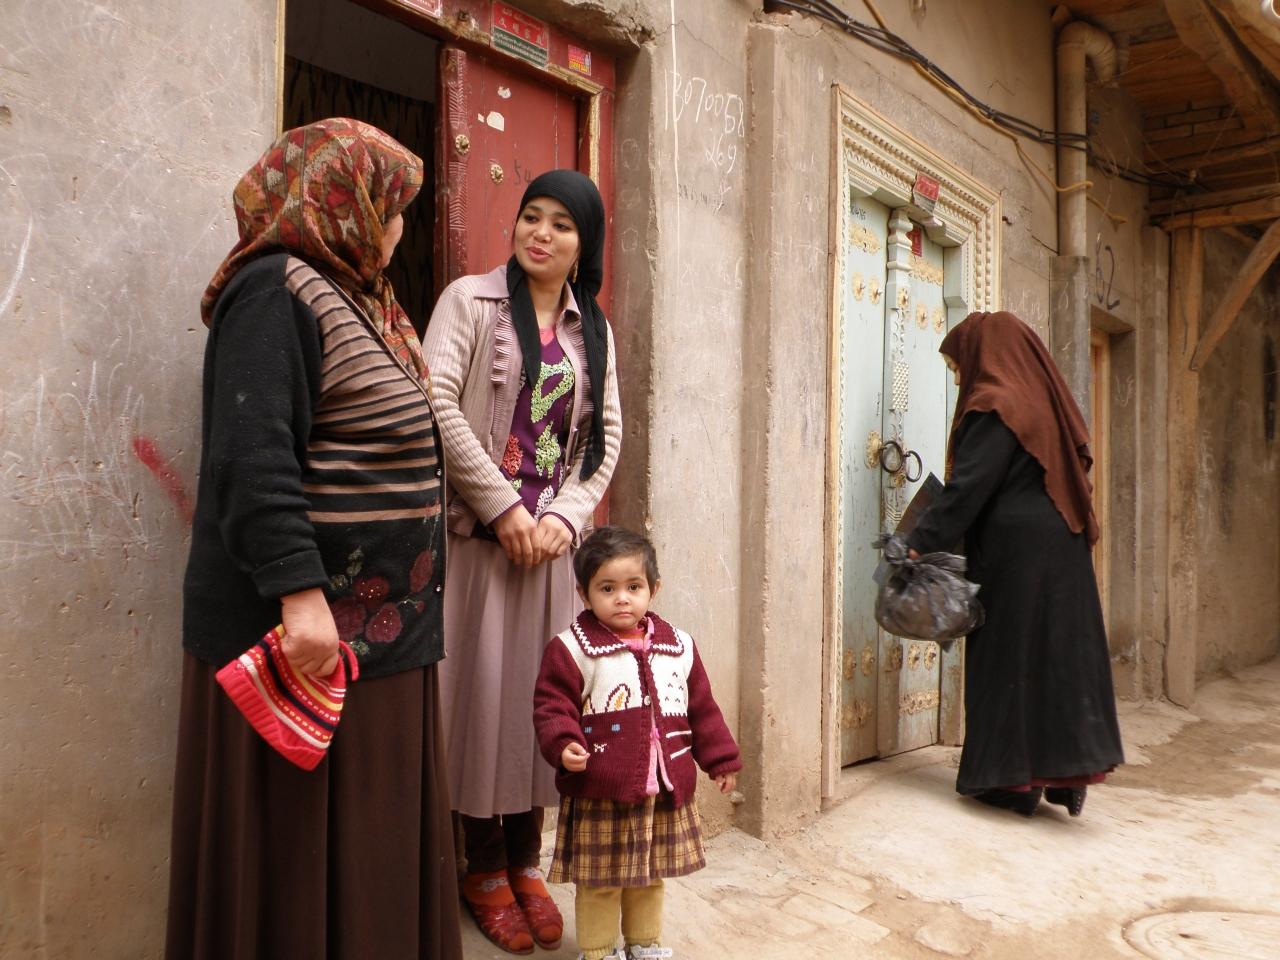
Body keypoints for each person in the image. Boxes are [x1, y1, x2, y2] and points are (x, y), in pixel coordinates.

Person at [166, 118, 463, 959]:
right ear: (348, 203)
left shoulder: (365, 301)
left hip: (382, 639)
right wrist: (301, 598)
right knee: (294, 865)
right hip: (307, 642)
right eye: (392, 207)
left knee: (367, 861)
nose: (398, 226)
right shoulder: (274, 291)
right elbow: (249, 457)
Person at [422, 169, 622, 953]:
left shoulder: (593, 330)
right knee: (479, 701)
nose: (541, 233)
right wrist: (502, 507)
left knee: (541, 707)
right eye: (531, 216)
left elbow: (604, 441)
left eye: (561, 224)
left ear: (584, 242)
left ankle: (526, 862)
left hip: (547, 556)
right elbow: (437, 402)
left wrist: (564, 519)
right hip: (478, 546)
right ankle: (481, 866)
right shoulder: (469, 302)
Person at [905, 311, 1124, 818]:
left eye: (959, 366)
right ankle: (1065, 771)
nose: (958, 379)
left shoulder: (995, 404)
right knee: (1056, 659)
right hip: (1063, 551)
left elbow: (968, 489)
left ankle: (1012, 782)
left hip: (1016, 559)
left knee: (1009, 659)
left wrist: (919, 542)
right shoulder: (1042, 403)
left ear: (985, 355)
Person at [533, 526, 742, 960]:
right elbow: (552, 707)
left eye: (634, 587)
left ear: (653, 589)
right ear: (584, 594)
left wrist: (720, 760)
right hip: (602, 788)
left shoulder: (679, 647)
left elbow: (702, 709)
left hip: (661, 790)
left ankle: (644, 944)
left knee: (650, 874)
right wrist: (563, 743)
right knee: (600, 881)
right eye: (607, 588)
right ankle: (598, 951)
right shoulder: (571, 649)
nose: (622, 599)